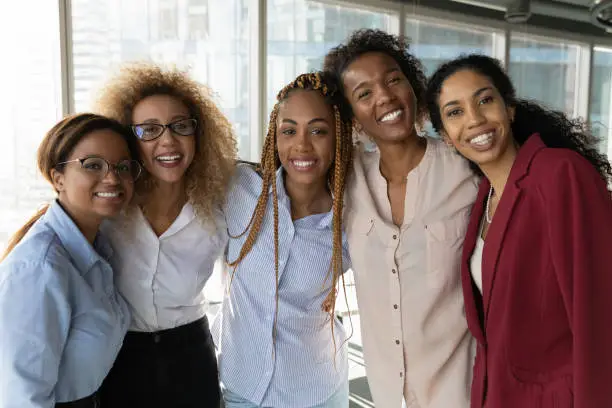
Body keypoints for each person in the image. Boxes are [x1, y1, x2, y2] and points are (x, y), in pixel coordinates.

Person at [425, 54, 612, 408]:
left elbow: (601, 317)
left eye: (485, 100)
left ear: (509, 109)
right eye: (455, 112)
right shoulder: (483, 198)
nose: (475, 119)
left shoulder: (560, 175)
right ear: (447, 138)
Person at [323, 29, 478, 408]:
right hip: (387, 395)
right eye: (364, 94)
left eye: (394, 80)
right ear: (352, 116)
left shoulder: (466, 168)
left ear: (414, 88)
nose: (385, 96)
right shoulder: (346, 178)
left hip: (463, 390)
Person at [94, 63, 237, 408]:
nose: (168, 140)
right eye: (150, 130)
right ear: (129, 139)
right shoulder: (109, 206)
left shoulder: (221, 206)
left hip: (191, 355)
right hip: (118, 358)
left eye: (180, 126)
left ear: (197, 134)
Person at [213, 72, 353, 408]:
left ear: (339, 138)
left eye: (318, 131)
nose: (301, 145)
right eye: (289, 131)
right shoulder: (238, 190)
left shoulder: (351, 219)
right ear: (274, 137)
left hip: (316, 389)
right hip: (240, 384)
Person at [0, 113, 141, 408]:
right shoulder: (40, 268)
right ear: (57, 178)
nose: (113, 177)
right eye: (92, 165)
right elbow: (21, 398)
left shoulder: (99, 247)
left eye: (123, 166)